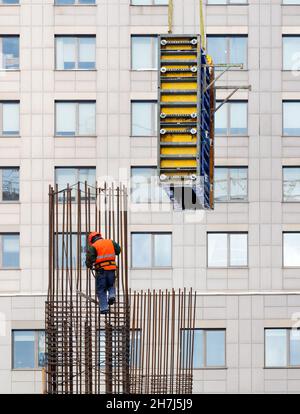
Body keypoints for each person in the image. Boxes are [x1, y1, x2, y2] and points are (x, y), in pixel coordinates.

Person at [86, 231, 121, 315]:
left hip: (101, 270)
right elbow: (118, 250)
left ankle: (104, 308)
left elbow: (90, 259)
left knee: (101, 290)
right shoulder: (110, 242)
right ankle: (112, 295)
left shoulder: (94, 246)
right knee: (111, 284)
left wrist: (89, 265)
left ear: (91, 240)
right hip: (112, 268)